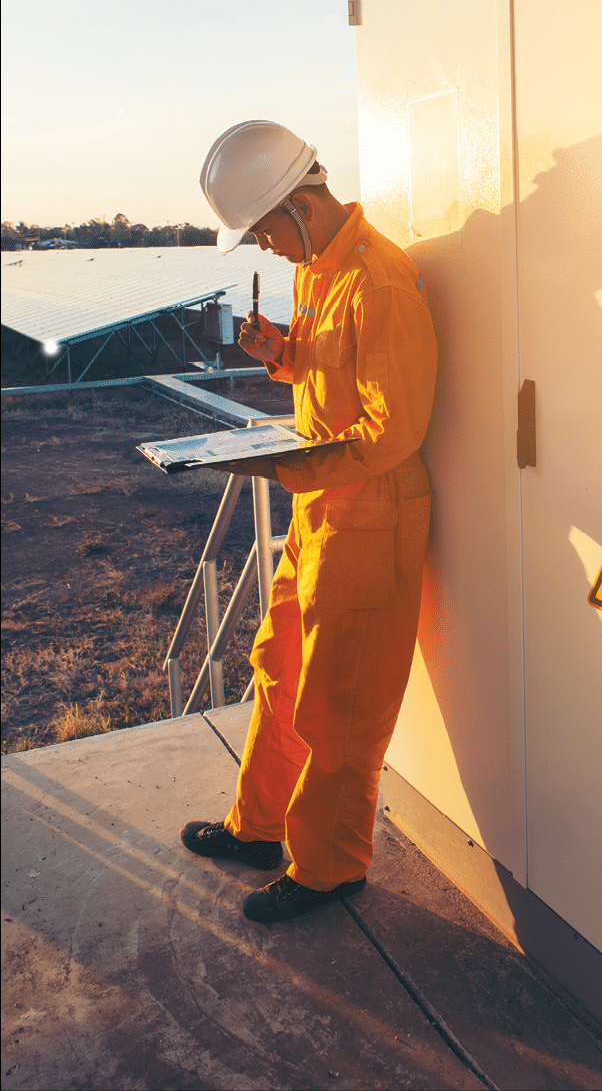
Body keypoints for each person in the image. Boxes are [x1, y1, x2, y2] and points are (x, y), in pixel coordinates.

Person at [180, 120, 437, 923]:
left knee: (340, 703)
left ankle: (330, 869)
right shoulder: (318, 274)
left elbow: (392, 431)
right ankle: (256, 827)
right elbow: (335, 376)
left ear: (299, 204)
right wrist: (280, 353)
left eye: (262, 230)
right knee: (278, 665)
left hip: (370, 519)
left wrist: (278, 464)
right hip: (322, 510)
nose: (263, 247)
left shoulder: (380, 280)